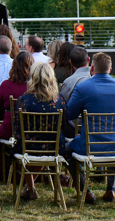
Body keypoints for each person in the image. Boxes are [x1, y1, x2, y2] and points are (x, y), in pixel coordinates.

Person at [13, 61, 74, 201]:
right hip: (53, 147)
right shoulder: (59, 101)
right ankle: (29, 188)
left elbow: (18, 128)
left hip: (29, 146)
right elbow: (64, 126)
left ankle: (30, 188)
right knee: (43, 149)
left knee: (22, 148)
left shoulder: (24, 100)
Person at [65, 53, 115, 203]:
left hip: (89, 146)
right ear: (110, 69)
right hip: (114, 145)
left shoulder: (83, 88)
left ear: (92, 68)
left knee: (65, 149)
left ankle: (84, 190)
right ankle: (110, 189)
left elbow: (69, 114)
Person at [0, 51, 32, 141]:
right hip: (29, 130)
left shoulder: (5, 85)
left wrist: (5, 118)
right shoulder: (33, 87)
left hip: (9, 129)